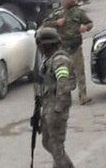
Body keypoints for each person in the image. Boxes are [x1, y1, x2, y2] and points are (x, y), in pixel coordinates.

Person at [42, 0, 94, 105]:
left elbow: (90, 23)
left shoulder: (78, 13)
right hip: (62, 48)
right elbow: (45, 24)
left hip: (75, 46)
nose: (72, 0)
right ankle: (61, 95)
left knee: (80, 71)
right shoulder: (58, 13)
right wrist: (56, 23)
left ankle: (83, 95)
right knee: (61, 72)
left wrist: (85, 27)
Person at [35, 27, 76, 168]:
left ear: (45, 45)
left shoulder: (59, 60)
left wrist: (58, 110)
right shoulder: (49, 59)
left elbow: (63, 84)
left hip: (56, 107)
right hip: (48, 105)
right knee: (47, 142)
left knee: (56, 146)